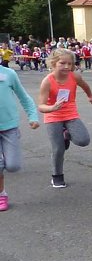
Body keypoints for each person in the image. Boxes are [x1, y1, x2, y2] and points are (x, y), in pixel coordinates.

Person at [37, 49, 92, 189]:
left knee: (83, 140)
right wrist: (52, 108)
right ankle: (57, 176)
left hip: (70, 114)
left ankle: (67, 134)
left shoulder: (74, 76)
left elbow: (84, 85)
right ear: (53, 63)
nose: (66, 67)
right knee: (58, 149)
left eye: (70, 64)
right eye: (62, 63)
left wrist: (90, 96)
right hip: (53, 115)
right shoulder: (47, 81)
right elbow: (41, 106)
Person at [0, 61, 39, 210]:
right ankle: (1, 194)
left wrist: (33, 116)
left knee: (13, 166)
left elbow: (24, 97)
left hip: (9, 126)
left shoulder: (9, 74)